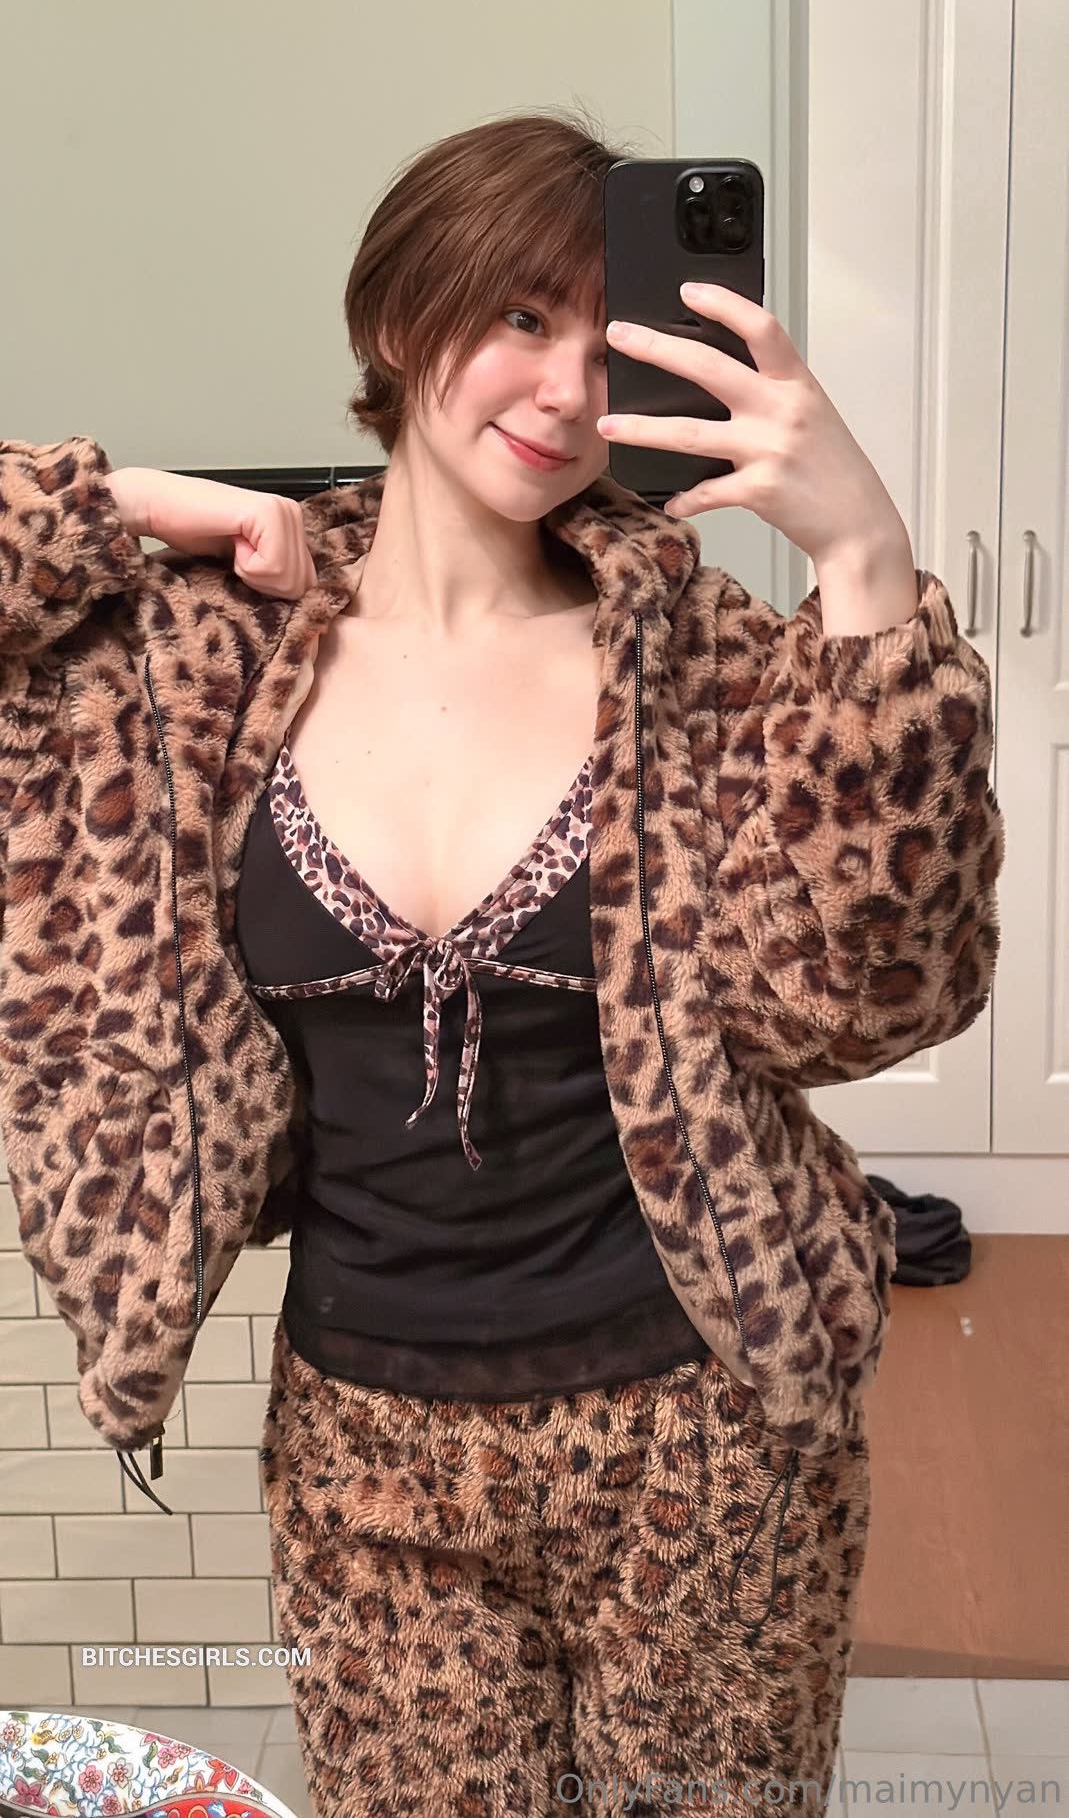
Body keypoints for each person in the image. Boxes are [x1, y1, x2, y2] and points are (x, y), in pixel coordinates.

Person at [0, 107, 1004, 1816]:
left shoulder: (702, 661)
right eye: (520, 318)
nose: (562, 392)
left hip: (708, 1430)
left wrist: (861, 567)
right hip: (367, 1451)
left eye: (611, 345)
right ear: (399, 318)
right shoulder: (198, 657)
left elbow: (872, 1002)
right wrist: (140, 501)